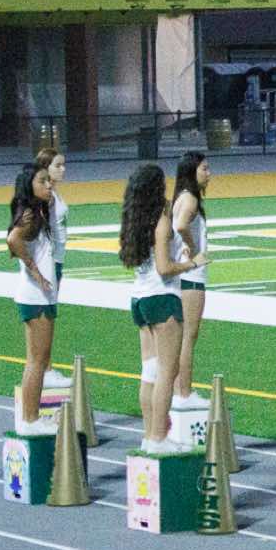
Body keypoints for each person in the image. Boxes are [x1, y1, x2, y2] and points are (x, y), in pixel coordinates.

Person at [120, 163, 206, 454]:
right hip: (162, 298)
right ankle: (159, 438)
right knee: (167, 373)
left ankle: (149, 435)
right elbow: (165, 268)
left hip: (140, 298)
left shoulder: (134, 218)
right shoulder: (160, 219)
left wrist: (179, 253)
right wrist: (190, 264)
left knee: (150, 372)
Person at [5, 163, 60, 435]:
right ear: (30, 185)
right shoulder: (29, 214)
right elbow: (12, 240)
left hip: (41, 296)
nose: (49, 185)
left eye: (49, 181)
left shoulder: (38, 210)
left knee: (38, 359)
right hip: (36, 296)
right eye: (42, 181)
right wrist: (35, 270)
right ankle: (30, 419)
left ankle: (31, 417)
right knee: (37, 361)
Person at [169, 151, 211, 408]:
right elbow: (182, 225)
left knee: (182, 336)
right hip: (191, 277)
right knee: (188, 337)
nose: (209, 174)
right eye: (204, 169)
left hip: (182, 275)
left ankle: (178, 390)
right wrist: (194, 249)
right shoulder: (191, 199)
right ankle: (183, 392)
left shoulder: (181, 197)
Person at [32, 147, 73, 391]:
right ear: (45, 168)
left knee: (49, 315)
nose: (63, 169)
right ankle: (44, 369)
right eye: (57, 165)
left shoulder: (54, 194)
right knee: (45, 318)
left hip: (57, 260)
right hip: (49, 262)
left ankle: (45, 367)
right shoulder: (45, 198)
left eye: (63, 164)